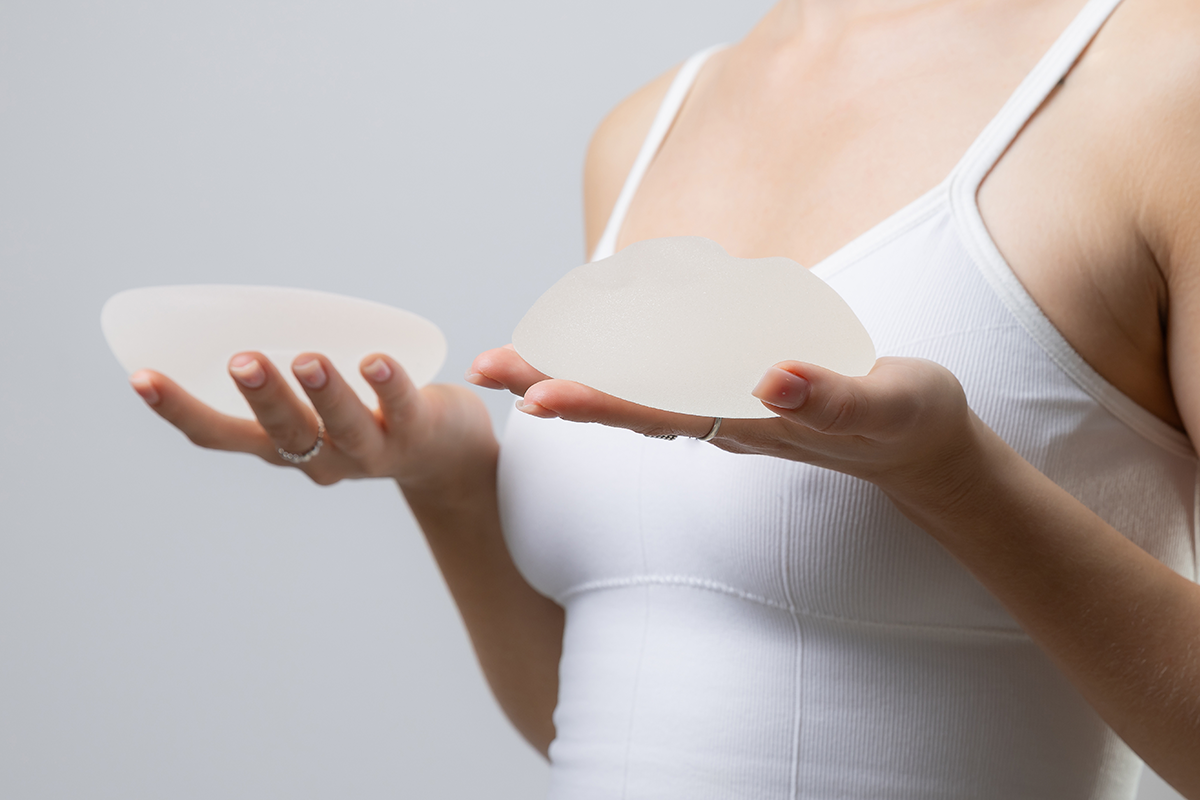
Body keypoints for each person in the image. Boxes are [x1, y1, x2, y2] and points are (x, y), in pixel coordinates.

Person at [127, 0, 1200, 796]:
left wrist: (956, 481)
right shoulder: (645, 128)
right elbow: (620, 720)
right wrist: (450, 483)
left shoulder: (1164, 83)